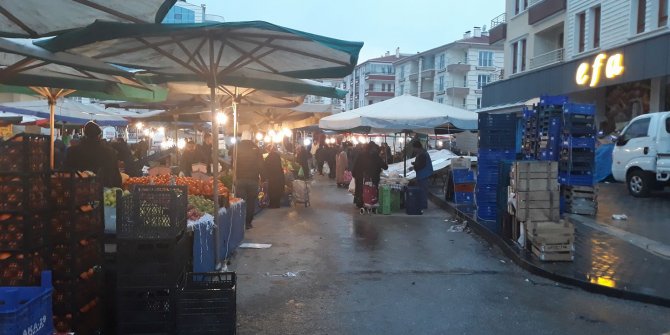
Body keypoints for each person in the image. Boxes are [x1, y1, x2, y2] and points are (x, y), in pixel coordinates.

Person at [64, 121, 121, 188]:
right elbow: (116, 176)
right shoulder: (109, 152)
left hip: (78, 191)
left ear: (85, 134)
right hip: (103, 191)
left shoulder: (72, 151)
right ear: (99, 135)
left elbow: (66, 172)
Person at [235, 139, 263, 229]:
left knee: (240, 202)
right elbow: (261, 164)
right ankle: (248, 223)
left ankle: (240, 222)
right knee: (251, 202)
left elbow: (233, 163)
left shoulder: (237, 147)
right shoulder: (256, 148)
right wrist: (263, 177)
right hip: (253, 180)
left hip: (240, 179)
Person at [352, 142, 388, 208]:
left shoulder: (361, 155)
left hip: (361, 176)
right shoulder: (375, 156)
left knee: (361, 190)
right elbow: (385, 167)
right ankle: (370, 203)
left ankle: (360, 203)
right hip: (373, 178)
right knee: (372, 191)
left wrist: (354, 174)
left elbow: (356, 165)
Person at [411, 140, 433, 209]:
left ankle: (423, 205)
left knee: (423, 190)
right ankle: (421, 204)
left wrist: (414, 166)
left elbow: (421, 165)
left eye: (414, 148)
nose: (413, 150)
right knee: (422, 190)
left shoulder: (423, 154)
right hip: (422, 175)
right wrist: (414, 164)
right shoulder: (421, 153)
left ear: (417, 147)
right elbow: (419, 163)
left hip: (424, 175)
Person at [262, 144, 285, 208]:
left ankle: (272, 204)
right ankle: (277, 204)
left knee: (272, 190)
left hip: (272, 176)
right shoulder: (277, 156)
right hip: (279, 175)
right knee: (277, 190)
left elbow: (265, 167)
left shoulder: (269, 157)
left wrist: (264, 176)